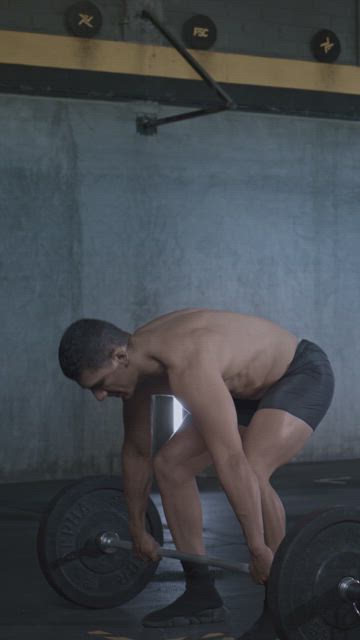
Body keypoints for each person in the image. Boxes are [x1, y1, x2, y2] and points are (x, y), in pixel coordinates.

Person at [58, 309, 334, 636]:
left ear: (120, 356)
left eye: (100, 384)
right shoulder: (138, 371)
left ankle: (282, 602)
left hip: (298, 374)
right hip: (244, 390)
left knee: (253, 466)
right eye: (92, 389)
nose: (100, 396)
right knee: (170, 465)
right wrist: (136, 528)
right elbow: (136, 451)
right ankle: (201, 593)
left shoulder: (187, 361)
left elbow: (231, 460)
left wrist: (257, 550)